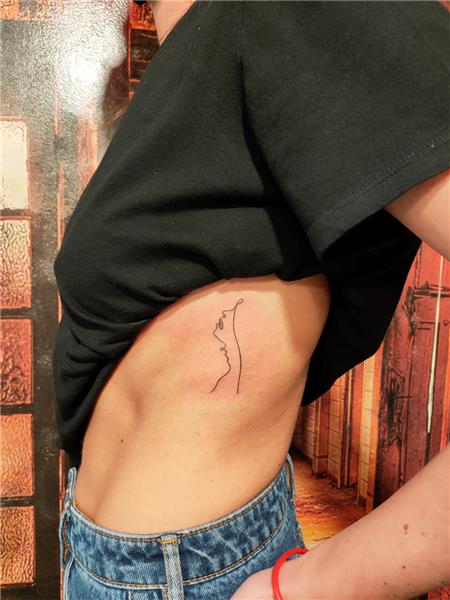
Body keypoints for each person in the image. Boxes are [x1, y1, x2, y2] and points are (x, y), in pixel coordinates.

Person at [55, 1, 449, 598]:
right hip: (100, 553)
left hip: (192, 572)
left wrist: (313, 588)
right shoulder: (205, 54)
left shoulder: (298, 11)